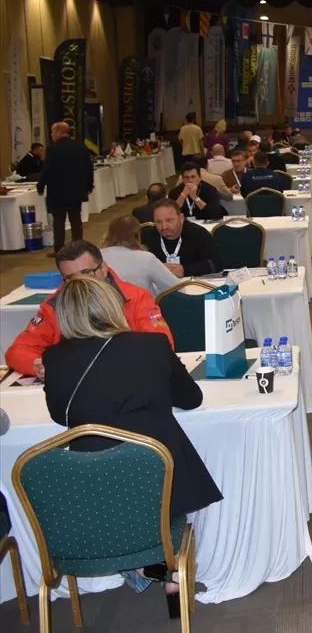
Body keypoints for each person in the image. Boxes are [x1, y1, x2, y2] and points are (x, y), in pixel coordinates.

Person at [41, 275, 221, 604]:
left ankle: (147, 567)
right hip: (159, 481)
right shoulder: (151, 346)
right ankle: (162, 570)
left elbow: (59, 416)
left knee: (128, 509)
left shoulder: (53, 359)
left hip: (91, 491)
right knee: (163, 504)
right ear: (112, 305)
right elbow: (191, 398)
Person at [5, 240, 175, 377]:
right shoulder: (53, 306)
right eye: (72, 278)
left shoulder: (135, 297)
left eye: (86, 272)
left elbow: (161, 344)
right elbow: (17, 350)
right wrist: (35, 365)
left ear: (103, 269)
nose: (82, 282)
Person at [38, 121, 93, 253]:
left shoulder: (52, 149)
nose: (51, 135)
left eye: (52, 132)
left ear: (58, 132)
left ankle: (59, 250)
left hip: (58, 191)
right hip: (76, 190)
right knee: (76, 219)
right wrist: (89, 185)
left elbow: (46, 171)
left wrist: (40, 186)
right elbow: (89, 168)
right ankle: (78, 248)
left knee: (58, 222)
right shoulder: (80, 147)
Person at [100, 216, 180, 298]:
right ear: (138, 235)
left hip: (107, 304)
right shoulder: (146, 258)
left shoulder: (97, 255)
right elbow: (176, 287)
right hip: (141, 304)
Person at [143, 200, 224, 277]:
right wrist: (155, 268)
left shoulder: (198, 233)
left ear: (181, 218)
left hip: (192, 284)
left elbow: (217, 264)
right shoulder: (147, 237)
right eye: (158, 221)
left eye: (169, 220)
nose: (164, 226)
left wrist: (185, 270)